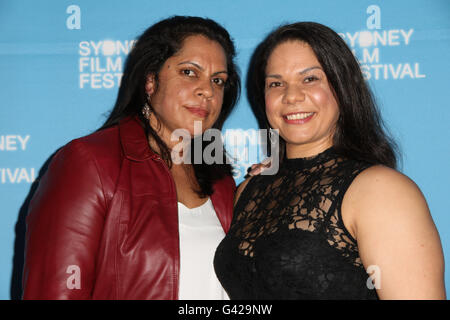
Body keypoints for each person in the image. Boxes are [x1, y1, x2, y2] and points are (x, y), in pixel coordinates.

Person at [214, 22, 446, 299]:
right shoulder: (249, 191)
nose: (291, 96)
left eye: (310, 78)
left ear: (342, 86)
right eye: (276, 83)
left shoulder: (381, 190)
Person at [22, 16, 240, 300]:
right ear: (150, 81)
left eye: (218, 80)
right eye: (189, 72)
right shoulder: (90, 162)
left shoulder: (221, 182)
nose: (207, 91)